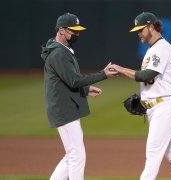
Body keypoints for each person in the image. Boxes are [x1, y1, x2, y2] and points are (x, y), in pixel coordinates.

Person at [112, 12, 171, 180]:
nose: (138, 33)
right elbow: (153, 81)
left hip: (164, 108)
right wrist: (142, 93)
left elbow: (146, 75)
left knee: (152, 155)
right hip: (158, 108)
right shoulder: (153, 49)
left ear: (151, 27)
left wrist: (121, 70)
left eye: (141, 29)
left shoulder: (162, 48)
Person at [40, 12, 118, 180]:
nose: (77, 33)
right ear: (61, 30)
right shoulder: (59, 53)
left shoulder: (61, 49)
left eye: (78, 30)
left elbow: (66, 81)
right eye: (73, 30)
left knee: (71, 155)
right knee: (77, 155)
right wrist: (103, 74)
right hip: (64, 108)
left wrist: (86, 89)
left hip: (64, 106)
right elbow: (74, 81)